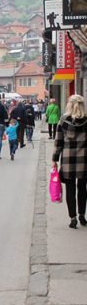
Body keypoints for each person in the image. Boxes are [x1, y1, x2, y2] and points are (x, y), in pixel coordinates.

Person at [52, 94, 87, 229]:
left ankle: (73, 218)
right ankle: (82, 215)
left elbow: (58, 142)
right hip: (84, 160)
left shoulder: (63, 121)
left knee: (70, 189)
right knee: (83, 188)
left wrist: (54, 159)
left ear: (69, 105)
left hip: (68, 160)